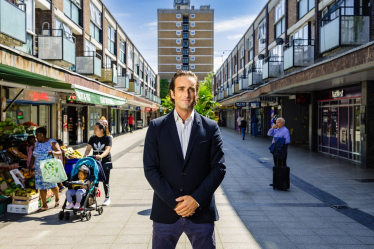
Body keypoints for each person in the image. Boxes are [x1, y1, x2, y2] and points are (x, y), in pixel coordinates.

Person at [144, 70, 226, 249]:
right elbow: (150, 168)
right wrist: (176, 202)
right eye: (181, 88)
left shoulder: (211, 127)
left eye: (191, 89)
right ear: (172, 93)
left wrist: (195, 200)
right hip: (166, 212)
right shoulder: (156, 127)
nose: (186, 94)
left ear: (196, 93)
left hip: (201, 212)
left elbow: (219, 168)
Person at [29, 127, 61, 212]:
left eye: (37, 135)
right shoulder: (36, 143)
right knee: (41, 186)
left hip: (48, 167)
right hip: (38, 169)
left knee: (53, 185)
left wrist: (53, 152)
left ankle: (57, 198)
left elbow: (60, 152)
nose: (36, 137)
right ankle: (44, 205)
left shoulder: (52, 142)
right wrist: (30, 166)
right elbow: (33, 156)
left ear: (42, 134)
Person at [83, 121, 113, 206]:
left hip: (105, 162)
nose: (94, 130)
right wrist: (85, 156)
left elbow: (107, 150)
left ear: (101, 130)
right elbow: (88, 149)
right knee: (94, 181)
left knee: (105, 180)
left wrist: (101, 156)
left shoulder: (108, 138)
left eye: (96, 129)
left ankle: (107, 198)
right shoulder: (92, 138)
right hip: (95, 162)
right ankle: (93, 200)